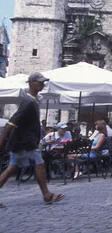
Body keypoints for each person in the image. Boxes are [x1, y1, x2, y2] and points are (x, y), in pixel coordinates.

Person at [0, 72, 65, 206]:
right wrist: (2, 140)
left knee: (12, 168)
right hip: (25, 141)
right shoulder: (28, 101)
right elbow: (12, 122)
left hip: (22, 141)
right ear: (32, 83)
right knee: (39, 164)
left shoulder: (33, 101)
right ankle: (47, 195)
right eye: (40, 82)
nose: (42, 84)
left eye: (43, 82)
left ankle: (47, 195)